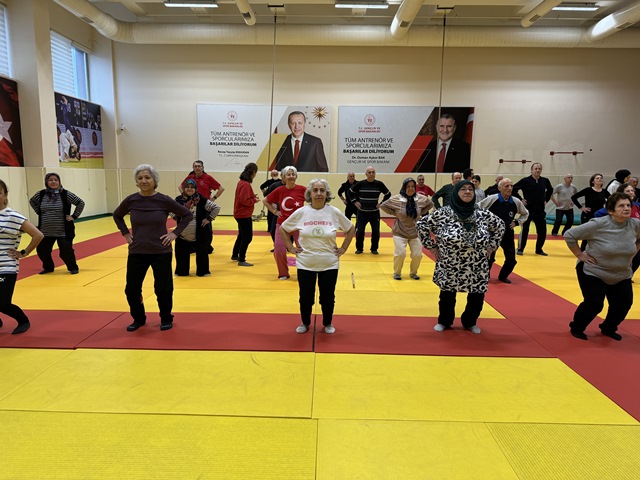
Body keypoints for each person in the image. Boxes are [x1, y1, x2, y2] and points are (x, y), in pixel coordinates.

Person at [417, 180, 505, 334]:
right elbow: (422, 225)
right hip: (451, 262)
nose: (467, 192)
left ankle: (470, 322)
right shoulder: (444, 213)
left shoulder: (481, 213)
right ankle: (445, 321)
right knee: (447, 295)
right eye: (463, 189)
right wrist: (431, 247)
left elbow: (500, 226)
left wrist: (492, 246)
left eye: (470, 189)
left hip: (477, 263)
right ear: (456, 193)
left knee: (477, 295)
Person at [113, 164, 193, 332]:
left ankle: (166, 317)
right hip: (137, 251)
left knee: (163, 289)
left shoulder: (164, 200)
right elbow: (117, 215)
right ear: (136, 181)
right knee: (132, 289)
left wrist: (174, 234)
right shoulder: (131, 200)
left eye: (147, 177)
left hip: (160, 251)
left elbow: (187, 215)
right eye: (140, 178)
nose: (144, 181)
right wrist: (125, 233)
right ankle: (139, 318)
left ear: (154, 180)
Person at [280, 179, 355, 334]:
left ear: (327, 193)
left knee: (327, 297)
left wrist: (343, 248)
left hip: (329, 263)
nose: (319, 193)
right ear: (310, 193)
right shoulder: (302, 212)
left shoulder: (333, 212)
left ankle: (327, 323)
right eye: (315, 190)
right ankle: (305, 322)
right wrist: (290, 247)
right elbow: (283, 228)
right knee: (305, 297)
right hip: (305, 263)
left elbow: (350, 228)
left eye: (322, 190)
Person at [564, 192, 640, 341]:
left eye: (628, 205)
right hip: (594, 270)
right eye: (621, 206)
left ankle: (608, 327)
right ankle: (577, 327)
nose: (626, 208)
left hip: (621, 273)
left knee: (623, 304)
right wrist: (580, 254)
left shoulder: (636, 224)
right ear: (610, 210)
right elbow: (569, 235)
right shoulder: (598, 224)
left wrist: (632, 255)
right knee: (594, 303)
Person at [0, 179, 44, 334]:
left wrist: (24, 253)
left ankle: (23, 320)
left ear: (5, 195)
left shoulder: (13, 216)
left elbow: (38, 235)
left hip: (6, 265)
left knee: (3, 302)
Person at [29, 173, 85, 275]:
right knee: (42, 250)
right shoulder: (41, 194)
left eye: (56, 180)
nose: (53, 182)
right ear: (46, 182)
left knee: (66, 252)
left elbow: (80, 203)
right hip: (45, 231)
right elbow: (32, 201)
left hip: (63, 231)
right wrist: (39, 212)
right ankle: (48, 267)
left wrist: (74, 216)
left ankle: (72, 267)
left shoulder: (66, 194)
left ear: (59, 182)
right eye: (50, 180)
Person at [380, 178, 433, 280]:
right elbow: (383, 206)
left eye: (413, 186)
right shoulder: (397, 199)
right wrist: (394, 213)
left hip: (415, 233)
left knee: (417, 255)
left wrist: (421, 212)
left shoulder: (420, 199)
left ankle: (413, 273)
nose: (411, 189)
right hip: (400, 232)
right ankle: (397, 273)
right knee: (400, 254)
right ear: (404, 187)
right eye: (408, 186)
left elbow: (430, 204)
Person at [478, 178, 529, 284]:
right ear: (499, 188)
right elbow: (477, 208)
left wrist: (517, 222)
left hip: (507, 234)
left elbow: (525, 214)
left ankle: (503, 276)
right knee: (488, 257)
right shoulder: (492, 199)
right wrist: (483, 223)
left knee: (511, 260)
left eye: (511, 186)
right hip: (491, 234)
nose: (509, 188)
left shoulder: (516, 201)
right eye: (506, 186)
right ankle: (484, 276)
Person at [263, 166, 306, 279]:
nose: (291, 176)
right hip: (282, 224)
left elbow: (313, 201)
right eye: (288, 174)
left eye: (293, 174)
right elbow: (265, 201)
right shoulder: (279, 190)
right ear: (283, 177)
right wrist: (274, 211)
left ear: (296, 176)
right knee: (279, 250)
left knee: (303, 250)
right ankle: (283, 273)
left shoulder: (302, 189)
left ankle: (303, 273)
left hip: (299, 225)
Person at [173, 179, 220, 277]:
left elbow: (216, 208)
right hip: (182, 235)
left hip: (199, 234)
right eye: (187, 187)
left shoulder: (201, 199)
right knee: (181, 257)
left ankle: (203, 271)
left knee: (202, 254)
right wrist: (175, 217)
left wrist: (209, 219)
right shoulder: (178, 200)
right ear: (184, 189)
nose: (189, 189)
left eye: (192, 187)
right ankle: (182, 271)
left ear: (195, 189)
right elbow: (169, 209)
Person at [513, 162, 553, 256]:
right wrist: (520, 199)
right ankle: (520, 249)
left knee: (542, 231)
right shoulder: (525, 180)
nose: (537, 170)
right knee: (525, 230)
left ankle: (539, 249)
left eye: (539, 169)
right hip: (527, 210)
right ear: (532, 170)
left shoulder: (545, 181)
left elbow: (550, 190)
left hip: (540, 211)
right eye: (536, 169)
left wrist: (546, 199)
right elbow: (513, 189)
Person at [349, 165, 391, 254]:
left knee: (376, 232)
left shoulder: (379, 184)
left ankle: (374, 249)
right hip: (362, 213)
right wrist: (355, 202)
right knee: (360, 231)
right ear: (366, 174)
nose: (371, 174)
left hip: (374, 213)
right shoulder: (361, 184)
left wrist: (381, 203)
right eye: (369, 172)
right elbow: (350, 192)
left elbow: (388, 194)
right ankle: (359, 248)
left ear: (375, 174)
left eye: (373, 172)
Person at [232, 162, 260, 267]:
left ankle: (235, 254)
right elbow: (243, 200)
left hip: (240, 213)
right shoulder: (246, 184)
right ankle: (242, 259)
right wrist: (254, 200)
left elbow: (243, 197)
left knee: (241, 235)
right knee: (247, 237)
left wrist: (252, 197)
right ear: (253, 172)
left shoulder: (242, 182)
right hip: (243, 214)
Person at [260, 170, 280, 241]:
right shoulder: (269, 182)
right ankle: (269, 228)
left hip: (278, 201)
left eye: (276, 174)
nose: (275, 175)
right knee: (270, 214)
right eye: (273, 174)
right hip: (271, 200)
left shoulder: (280, 181)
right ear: (271, 175)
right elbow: (261, 186)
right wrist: (265, 193)